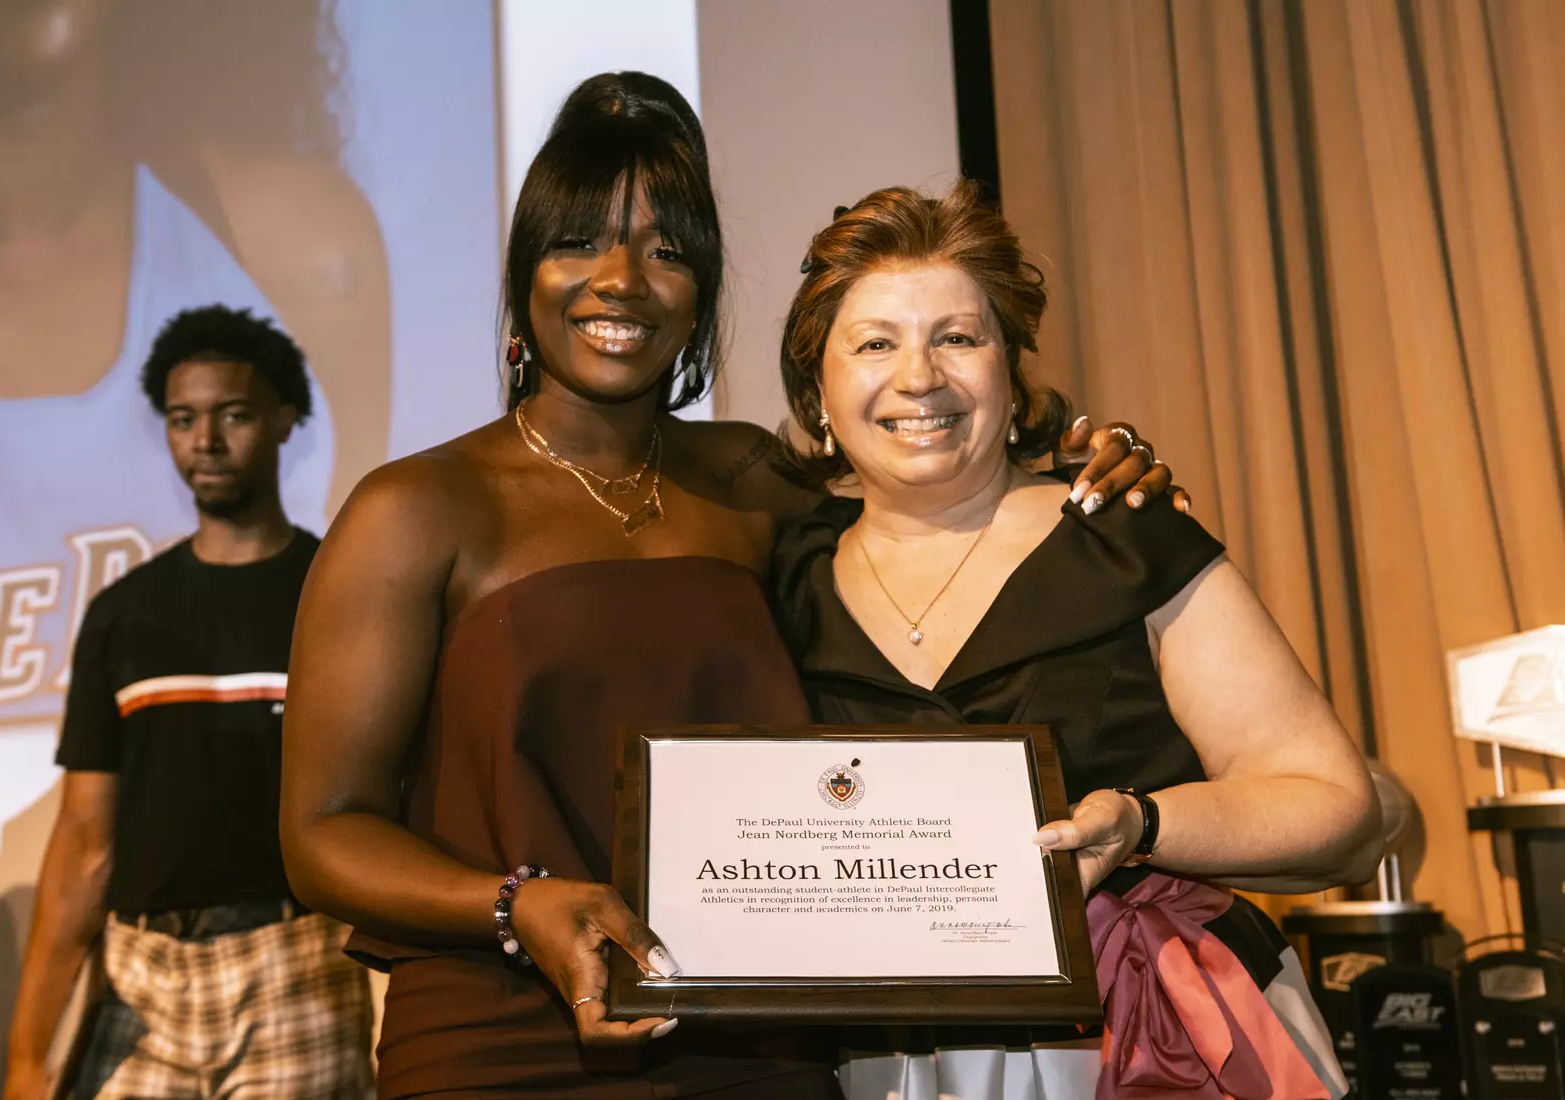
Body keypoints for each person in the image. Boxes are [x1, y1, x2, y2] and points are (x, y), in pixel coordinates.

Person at [279, 72, 1179, 1099]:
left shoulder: (756, 480)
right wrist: (515, 904)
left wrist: (1078, 461)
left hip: (759, 1041)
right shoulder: (413, 508)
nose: (621, 280)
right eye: (578, 242)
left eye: (667, 251)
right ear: (526, 275)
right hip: (502, 1042)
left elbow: (937, 498)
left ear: (703, 290)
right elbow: (323, 832)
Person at [766, 184, 1383, 1099]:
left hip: (1160, 1034)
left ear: (1011, 375)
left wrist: (1141, 824)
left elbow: (1340, 814)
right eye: (875, 344)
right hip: (884, 1061)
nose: (920, 377)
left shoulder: (1124, 536)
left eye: (958, 337)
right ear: (819, 392)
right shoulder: (785, 577)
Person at [2, 307, 374, 1100]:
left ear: (286, 420)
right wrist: (27, 1055)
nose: (205, 441)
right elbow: (84, 841)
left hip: (296, 963)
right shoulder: (124, 613)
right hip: (138, 974)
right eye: (182, 419)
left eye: (233, 415)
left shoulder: (339, 594)